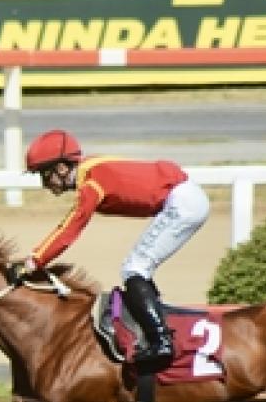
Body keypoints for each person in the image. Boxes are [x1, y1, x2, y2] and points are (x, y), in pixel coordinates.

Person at [22, 129, 210, 370]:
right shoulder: (90, 170)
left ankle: (161, 342)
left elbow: (70, 228)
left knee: (135, 267)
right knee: (137, 267)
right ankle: (154, 328)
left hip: (182, 203)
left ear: (61, 168)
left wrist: (34, 260)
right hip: (183, 198)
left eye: (44, 174)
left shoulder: (91, 183)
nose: (44, 184)